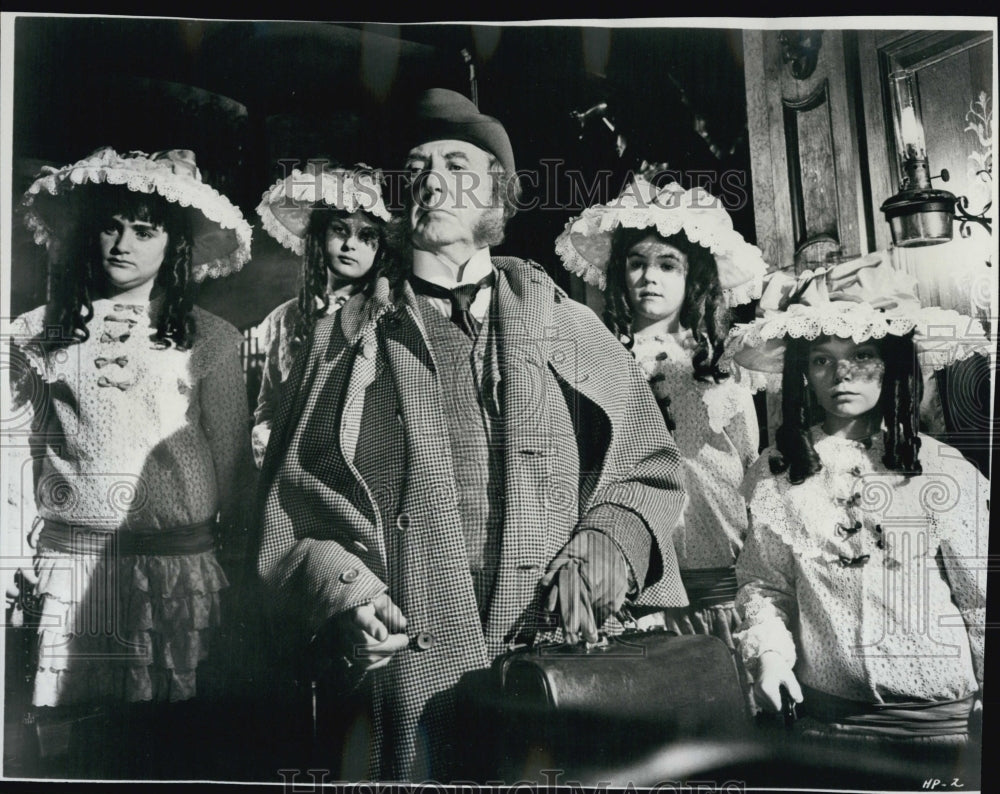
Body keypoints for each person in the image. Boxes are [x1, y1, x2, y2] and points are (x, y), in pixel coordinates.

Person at [254, 88, 687, 781]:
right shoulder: (346, 331)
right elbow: (291, 510)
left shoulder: (565, 324)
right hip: (414, 650)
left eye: (456, 162)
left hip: (556, 649)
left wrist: (605, 551)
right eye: (416, 166)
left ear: (498, 194)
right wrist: (347, 600)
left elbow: (651, 468)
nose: (430, 178)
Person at [6, 147, 254, 774]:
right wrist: (13, 549)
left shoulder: (212, 338)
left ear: (173, 246)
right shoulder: (37, 334)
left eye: (144, 230)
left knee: (170, 733)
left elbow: (230, 459)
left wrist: (242, 558)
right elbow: (15, 448)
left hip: (178, 564)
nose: (122, 243)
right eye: (111, 225)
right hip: (75, 559)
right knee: (76, 739)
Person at [726, 257, 990, 750]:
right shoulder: (777, 469)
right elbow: (766, 586)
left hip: (942, 724)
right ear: (803, 371)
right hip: (828, 722)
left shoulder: (941, 468)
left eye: (863, 355)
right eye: (823, 359)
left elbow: (982, 599)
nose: (842, 375)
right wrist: (772, 659)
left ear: (892, 364)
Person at [556, 177, 767, 649]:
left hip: (717, 558)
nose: (650, 277)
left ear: (693, 277)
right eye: (637, 263)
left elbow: (751, 463)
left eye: (668, 265)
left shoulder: (721, 361)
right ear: (619, 274)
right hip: (638, 553)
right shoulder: (597, 354)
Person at [251, 164, 390, 467]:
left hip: (361, 463)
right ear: (321, 235)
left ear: (379, 249)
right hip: (292, 469)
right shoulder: (284, 319)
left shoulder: (384, 314)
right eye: (340, 229)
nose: (350, 244)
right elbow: (268, 405)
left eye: (366, 236)